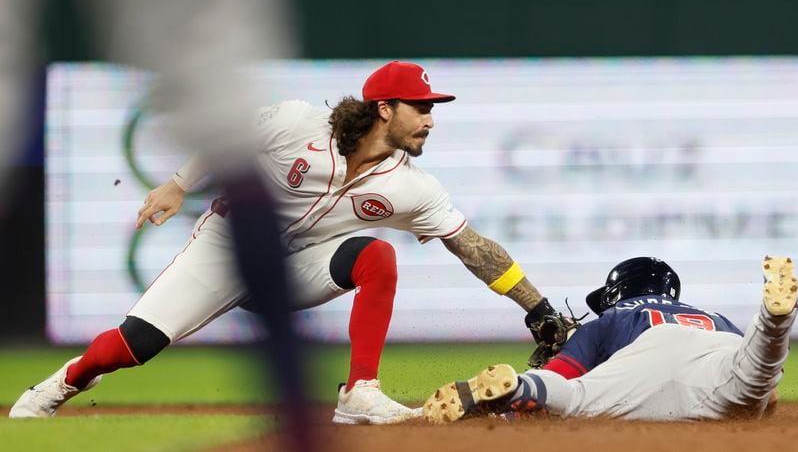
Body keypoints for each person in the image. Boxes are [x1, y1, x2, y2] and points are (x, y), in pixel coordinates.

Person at [10, 60, 565, 425]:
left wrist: (536, 306)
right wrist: (178, 185)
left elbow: (472, 246)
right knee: (134, 346)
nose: (430, 120)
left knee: (376, 256)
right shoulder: (301, 123)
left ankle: (358, 393)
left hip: (299, 267)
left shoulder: (412, 187)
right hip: (228, 249)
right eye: (420, 108)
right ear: (384, 109)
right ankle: (59, 386)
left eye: (432, 110)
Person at [424, 255, 798, 423]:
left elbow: (563, 372)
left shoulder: (615, 317)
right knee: (758, 371)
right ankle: (772, 322)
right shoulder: (713, 317)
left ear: (618, 293)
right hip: (723, 354)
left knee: (574, 398)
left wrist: (523, 403)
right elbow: (772, 397)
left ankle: (519, 387)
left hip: (645, 358)